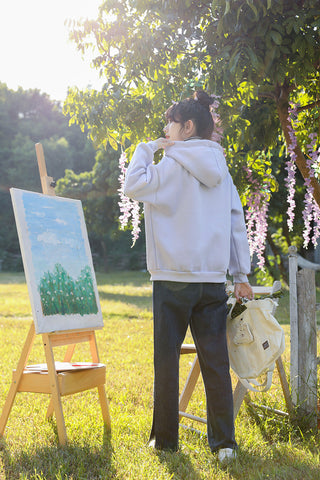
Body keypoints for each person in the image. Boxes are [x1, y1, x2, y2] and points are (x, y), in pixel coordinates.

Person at [123, 91, 253, 463]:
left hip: (170, 278)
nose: (165, 129)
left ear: (187, 126)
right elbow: (235, 222)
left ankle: (164, 440)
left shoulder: (168, 164)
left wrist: (146, 148)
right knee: (216, 361)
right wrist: (240, 272)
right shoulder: (221, 168)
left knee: (166, 360)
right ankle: (224, 444)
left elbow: (133, 186)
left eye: (170, 123)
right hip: (211, 279)